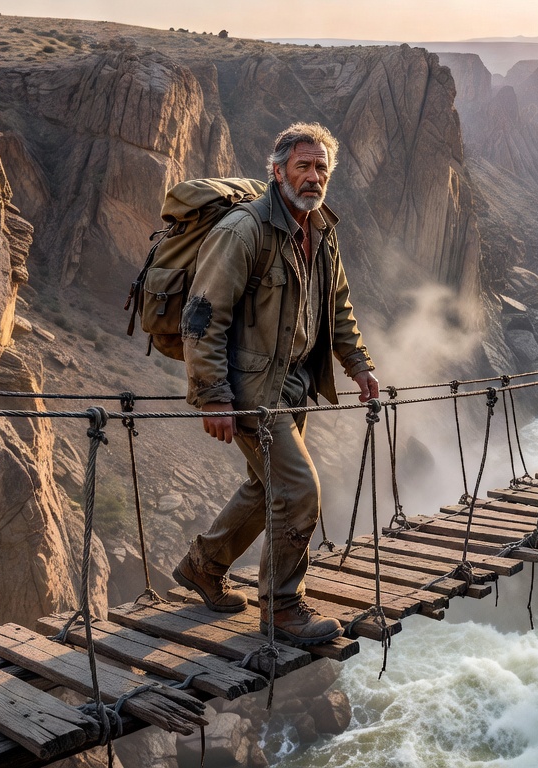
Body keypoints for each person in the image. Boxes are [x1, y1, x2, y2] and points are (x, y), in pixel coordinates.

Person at [174, 123, 379, 645]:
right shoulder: (243, 232)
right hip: (250, 390)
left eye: (321, 169)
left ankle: (204, 565)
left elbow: (338, 308)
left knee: (268, 486)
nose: (313, 177)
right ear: (278, 171)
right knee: (298, 490)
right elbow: (202, 317)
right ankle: (282, 608)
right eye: (303, 166)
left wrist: (358, 365)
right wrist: (214, 396)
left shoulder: (321, 229)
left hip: (292, 385)